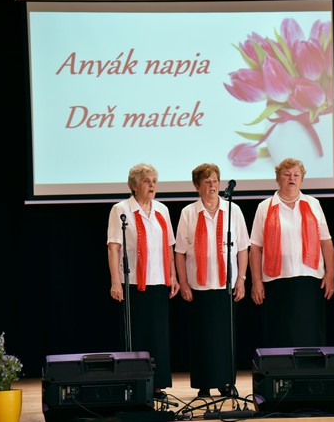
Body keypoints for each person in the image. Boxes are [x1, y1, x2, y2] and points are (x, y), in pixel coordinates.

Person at [175, 163, 250, 398]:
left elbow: (243, 248)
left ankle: (226, 382)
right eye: (207, 181)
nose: (212, 185)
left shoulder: (233, 210)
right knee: (202, 337)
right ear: (197, 186)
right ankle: (204, 383)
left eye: (215, 180)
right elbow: (180, 252)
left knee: (225, 337)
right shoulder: (189, 213)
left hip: (226, 286)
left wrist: (241, 279)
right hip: (198, 287)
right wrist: (183, 283)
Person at [106, 163, 179, 399]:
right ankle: (135, 386)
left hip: (158, 282)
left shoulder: (162, 210)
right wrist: (115, 282)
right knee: (137, 335)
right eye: (147, 181)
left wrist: (173, 276)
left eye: (154, 181)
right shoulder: (121, 209)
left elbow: (169, 246)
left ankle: (157, 385)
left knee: (158, 336)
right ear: (134, 186)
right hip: (133, 283)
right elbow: (114, 248)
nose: (152, 185)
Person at [249, 157, 334, 348]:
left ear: (302, 179)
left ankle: (310, 367)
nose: (292, 178)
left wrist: (330, 275)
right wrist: (256, 281)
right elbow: (255, 248)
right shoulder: (264, 207)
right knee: (279, 332)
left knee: (309, 331)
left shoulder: (313, 204)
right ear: (277, 179)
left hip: (310, 278)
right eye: (286, 174)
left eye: (296, 175)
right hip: (275, 279)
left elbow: (326, 242)